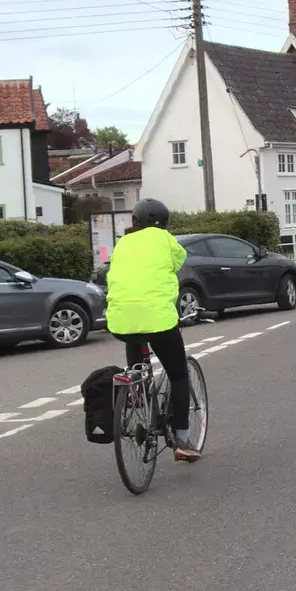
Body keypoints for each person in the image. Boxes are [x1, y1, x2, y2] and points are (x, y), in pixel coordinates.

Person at [104, 198, 201, 462]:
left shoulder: (121, 243)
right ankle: (181, 439)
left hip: (121, 322)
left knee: (134, 337)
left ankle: (136, 392)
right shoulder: (165, 239)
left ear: (134, 221)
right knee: (178, 374)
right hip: (158, 320)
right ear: (164, 223)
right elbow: (179, 261)